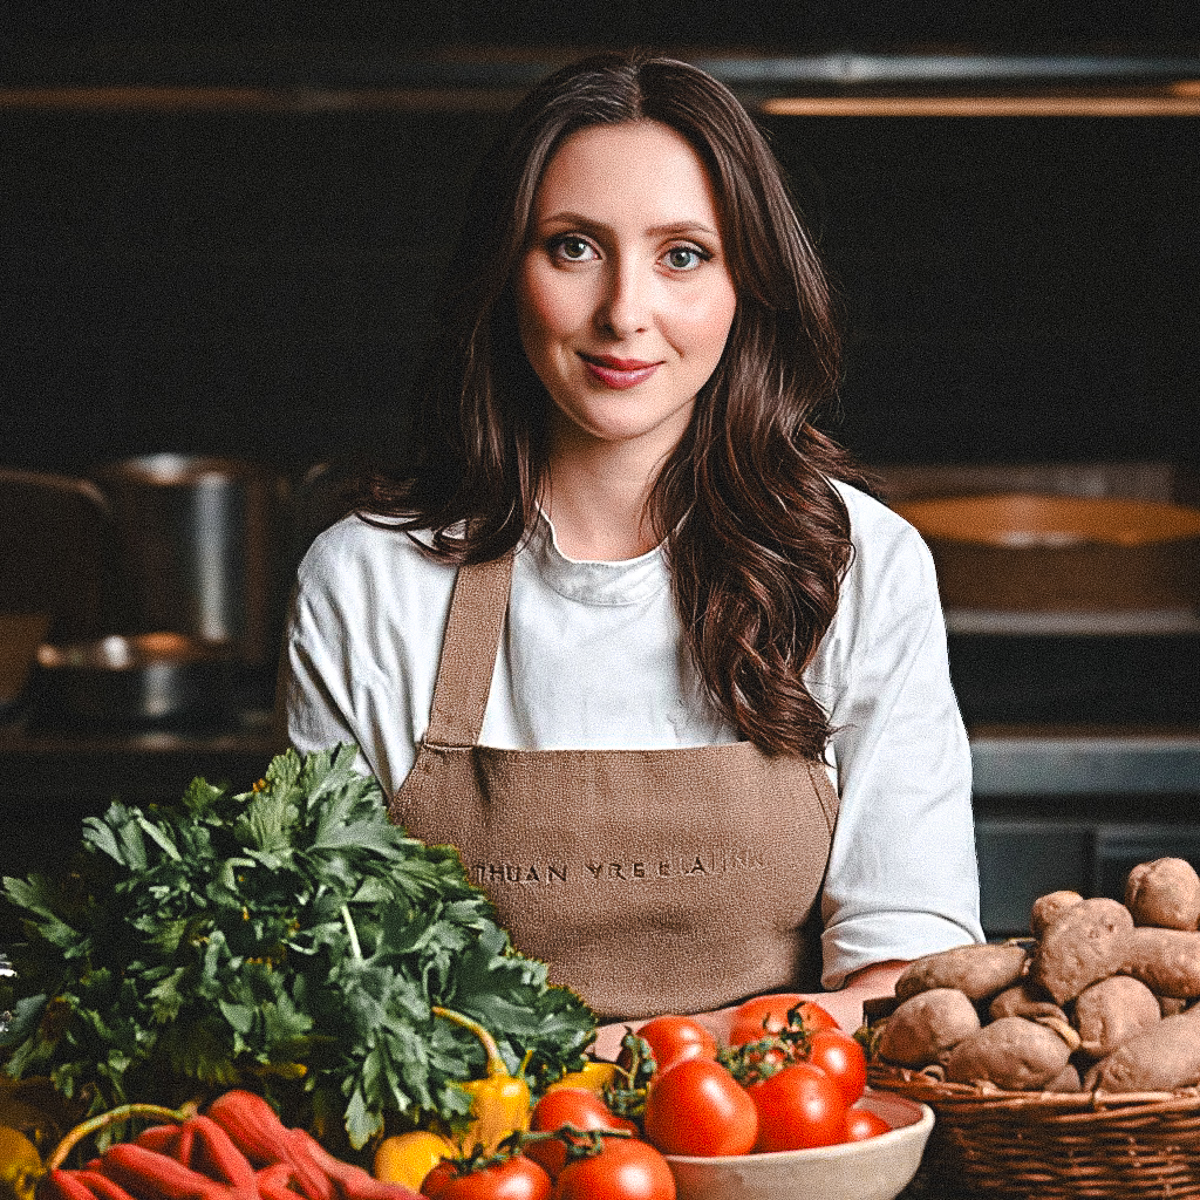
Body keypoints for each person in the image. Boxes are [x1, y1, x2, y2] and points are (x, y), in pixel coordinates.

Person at [279, 50, 983, 1038]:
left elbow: (907, 983)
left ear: (749, 285)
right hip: (478, 1175)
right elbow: (338, 985)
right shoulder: (367, 583)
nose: (624, 313)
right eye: (573, 247)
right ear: (504, 273)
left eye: (683, 254)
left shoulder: (858, 565)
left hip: (780, 1158)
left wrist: (621, 1071)